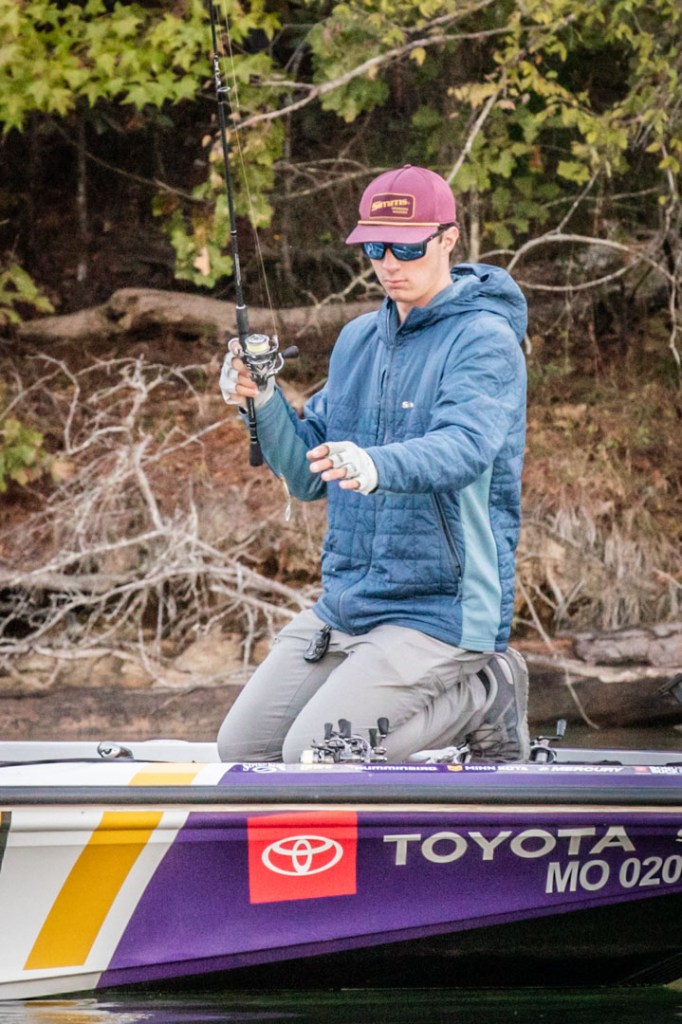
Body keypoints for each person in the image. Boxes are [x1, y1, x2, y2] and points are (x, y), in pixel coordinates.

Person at [217, 164, 529, 764]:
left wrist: (376, 465)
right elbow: (307, 474)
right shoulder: (359, 338)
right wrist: (263, 400)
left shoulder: (485, 339)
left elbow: (465, 447)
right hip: (350, 601)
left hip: (442, 608)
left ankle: (485, 695)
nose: (389, 263)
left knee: (318, 755)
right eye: (375, 248)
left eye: (407, 247)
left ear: (448, 239)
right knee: (243, 749)